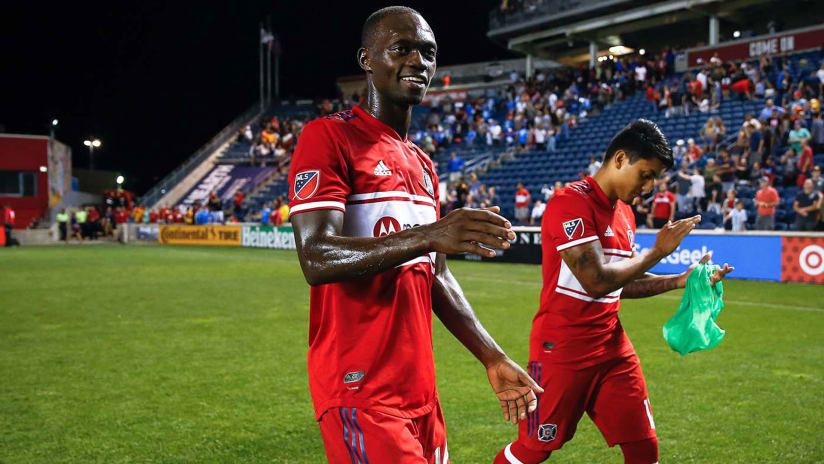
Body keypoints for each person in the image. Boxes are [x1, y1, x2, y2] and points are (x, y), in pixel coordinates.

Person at [287, 7, 541, 463]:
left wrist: (492, 356)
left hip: (421, 392)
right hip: (359, 389)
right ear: (367, 59)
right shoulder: (328, 137)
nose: (418, 61)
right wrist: (428, 234)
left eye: (428, 52)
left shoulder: (423, 165)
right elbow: (317, 257)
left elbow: (436, 277)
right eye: (401, 48)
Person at [494, 119, 733, 464]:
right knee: (534, 449)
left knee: (643, 447)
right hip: (563, 348)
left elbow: (619, 285)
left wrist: (682, 279)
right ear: (620, 159)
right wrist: (656, 252)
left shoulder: (625, 214)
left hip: (612, 348)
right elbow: (596, 280)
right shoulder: (569, 203)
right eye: (646, 174)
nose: (649, 187)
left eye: (655, 179)